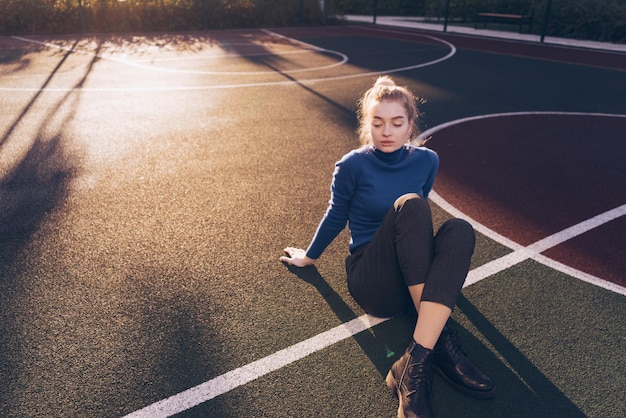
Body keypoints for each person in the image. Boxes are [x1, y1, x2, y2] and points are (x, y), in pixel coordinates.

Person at [280, 76, 494, 417]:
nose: (387, 131)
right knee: (411, 205)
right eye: (377, 123)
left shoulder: (427, 161)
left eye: (397, 122)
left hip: (409, 273)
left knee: (459, 230)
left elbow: (416, 232)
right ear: (368, 125)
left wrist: (439, 276)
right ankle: (439, 340)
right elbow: (337, 216)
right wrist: (309, 256)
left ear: (411, 125)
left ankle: (413, 366)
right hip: (372, 277)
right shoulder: (352, 165)